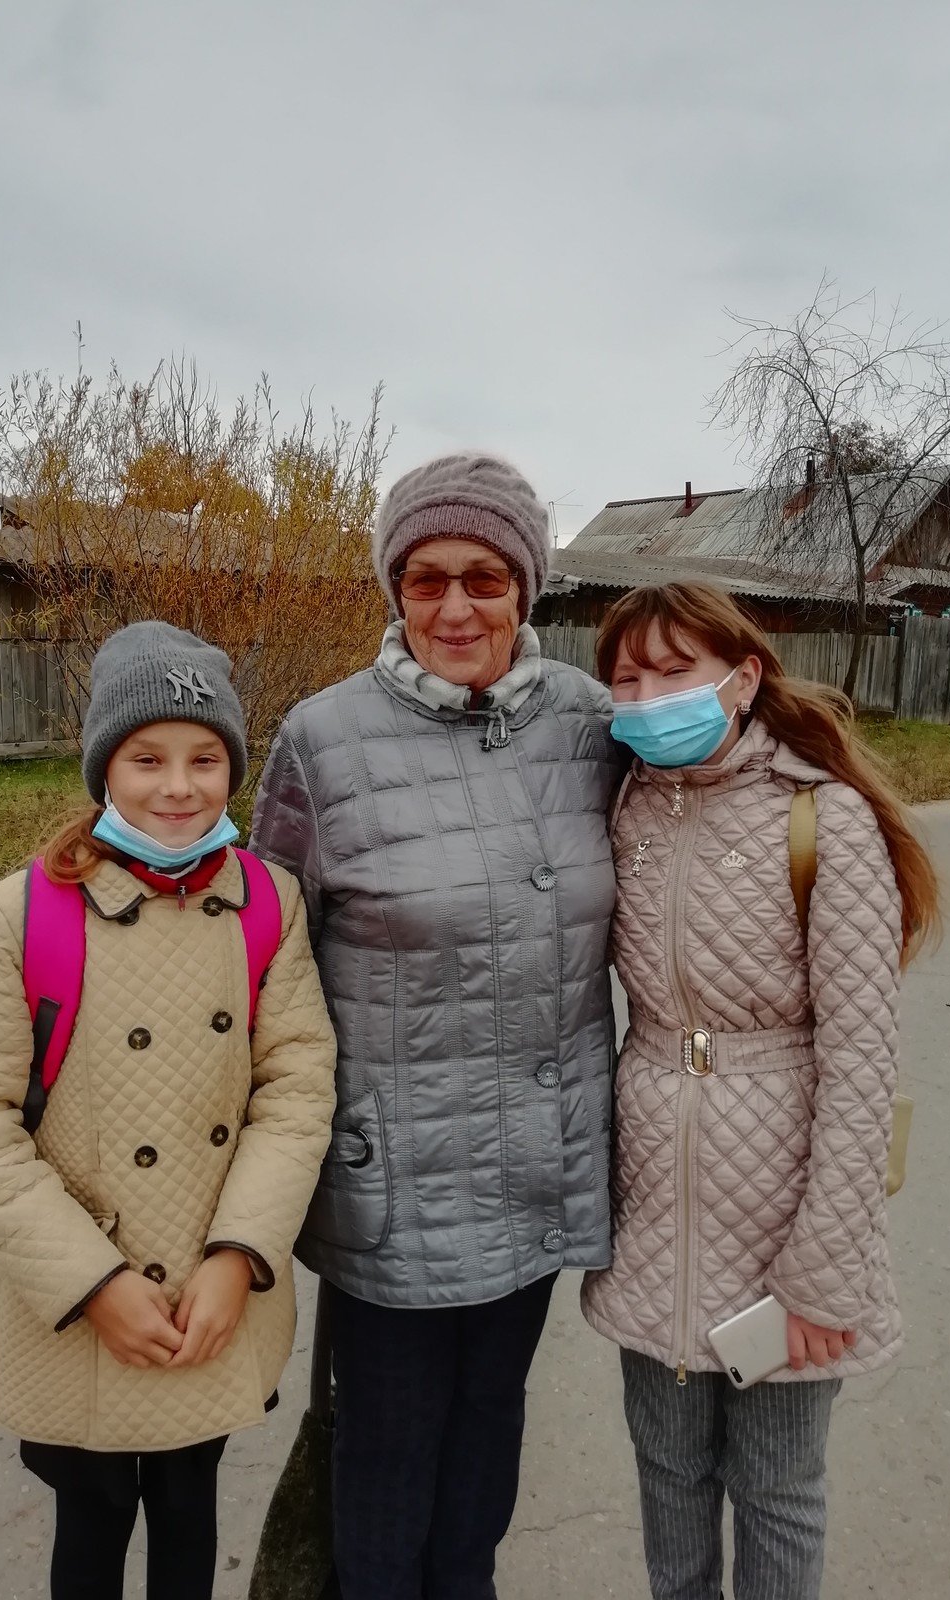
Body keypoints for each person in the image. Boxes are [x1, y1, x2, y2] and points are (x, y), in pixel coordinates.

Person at [249, 451, 622, 1600]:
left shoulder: (589, 724)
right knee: (387, 1455)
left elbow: (711, 817)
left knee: (488, 1435)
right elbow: (260, 963)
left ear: (527, 587)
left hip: (539, 1163)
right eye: (425, 578)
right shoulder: (324, 739)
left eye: (484, 577)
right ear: (395, 590)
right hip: (398, 1183)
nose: (455, 606)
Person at [0, 621, 336, 1600]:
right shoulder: (21, 915)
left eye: (205, 759)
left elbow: (296, 1088)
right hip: (79, 1309)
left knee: (191, 1511)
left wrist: (239, 1255)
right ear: (103, 765)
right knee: (91, 1519)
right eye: (147, 758)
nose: (180, 787)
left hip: (211, 1298)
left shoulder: (268, 903)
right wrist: (95, 1282)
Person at [581, 583, 940, 1600]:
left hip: (788, 1218)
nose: (648, 697)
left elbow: (863, 1056)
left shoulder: (823, 817)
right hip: (657, 1212)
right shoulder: (623, 804)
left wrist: (827, 1266)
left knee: (778, 1487)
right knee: (668, 1472)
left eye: (675, 670)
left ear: (742, 679)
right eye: (627, 678)